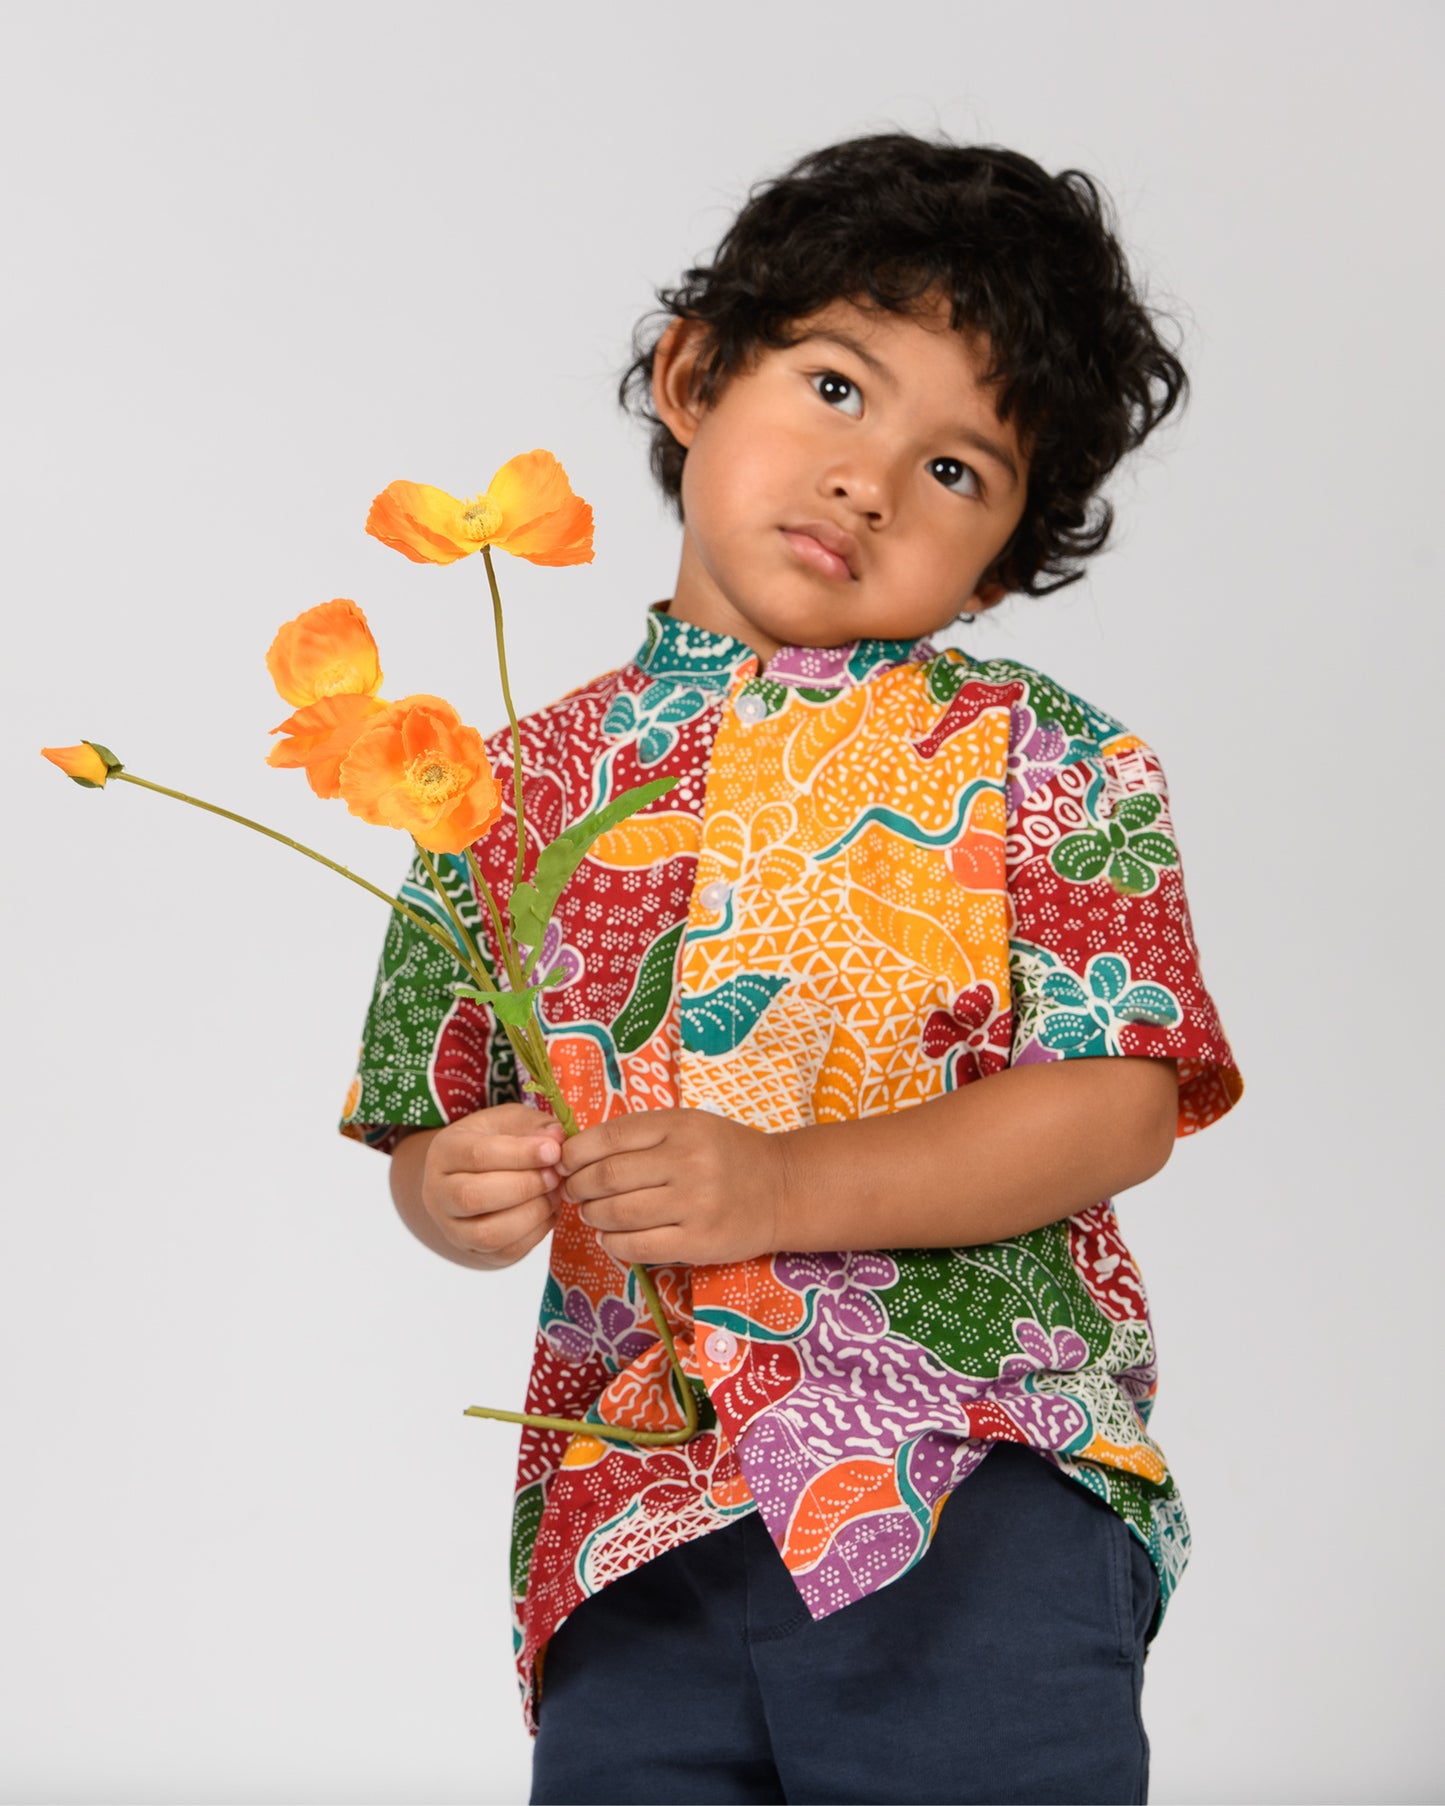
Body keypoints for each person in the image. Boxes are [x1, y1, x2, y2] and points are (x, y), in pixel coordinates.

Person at [339, 131, 1244, 1805]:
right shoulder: (494, 788)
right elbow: (431, 1117)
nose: (868, 482)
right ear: (693, 376)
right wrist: (449, 1187)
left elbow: (1116, 1104)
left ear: (1000, 560)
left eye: (955, 469)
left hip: (972, 1478)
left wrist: (775, 1186)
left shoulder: (1050, 759)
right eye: (835, 387)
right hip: (631, 1523)